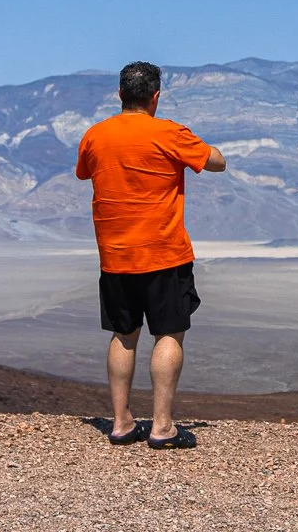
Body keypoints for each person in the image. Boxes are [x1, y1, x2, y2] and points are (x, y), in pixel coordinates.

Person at [75, 60, 226, 450]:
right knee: (169, 333)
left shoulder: (95, 135)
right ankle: (162, 427)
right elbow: (216, 162)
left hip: (115, 255)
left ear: (120, 94)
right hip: (164, 253)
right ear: (155, 97)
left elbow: (85, 172)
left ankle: (121, 423)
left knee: (123, 335)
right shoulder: (170, 133)